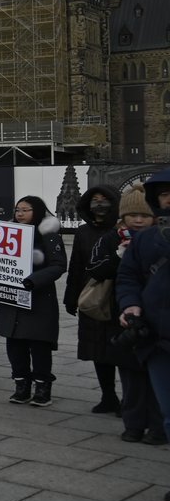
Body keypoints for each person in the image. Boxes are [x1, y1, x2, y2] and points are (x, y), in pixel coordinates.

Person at [89, 189, 163, 444]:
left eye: (144, 215)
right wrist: (118, 256)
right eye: (132, 215)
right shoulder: (112, 238)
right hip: (121, 317)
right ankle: (133, 424)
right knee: (130, 379)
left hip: (156, 319)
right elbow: (96, 269)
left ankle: (157, 426)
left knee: (157, 380)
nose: (138, 220)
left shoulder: (160, 239)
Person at [116, 166, 170, 501]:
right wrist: (131, 305)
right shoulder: (148, 238)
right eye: (165, 195)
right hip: (157, 341)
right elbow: (129, 276)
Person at [0, 195, 65, 407]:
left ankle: (42, 387)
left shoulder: (49, 234)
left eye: (26, 210)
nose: (20, 214)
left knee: (39, 345)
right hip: (12, 298)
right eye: (18, 209)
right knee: (14, 343)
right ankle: (21, 385)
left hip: (39, 298)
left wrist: (32, 281)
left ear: (36, 211)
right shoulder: (8, 233)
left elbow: (58, 265)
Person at [63, 186, 122, 414]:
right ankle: (108, 396)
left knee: (122, 350)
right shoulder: (83, 232)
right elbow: (76, 265)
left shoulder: (122, 229)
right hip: (92, 295)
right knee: (98, 349)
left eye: (104, 200)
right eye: (94, 200)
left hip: (119, 295)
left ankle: (130, 399)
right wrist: (71, 297)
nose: (99, 204)